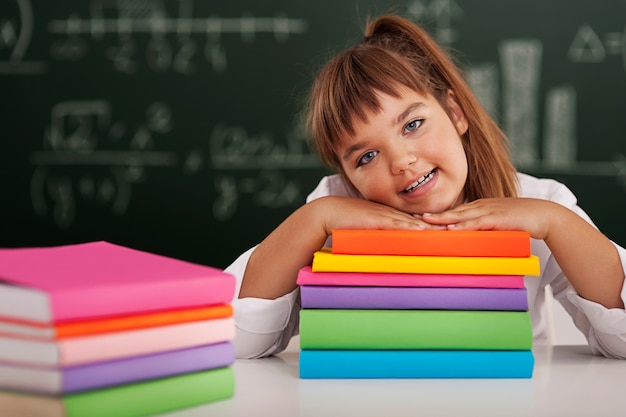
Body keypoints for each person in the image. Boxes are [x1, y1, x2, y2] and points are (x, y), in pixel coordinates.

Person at [225, 14, 626, 359]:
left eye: (412, 125)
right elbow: (235, 338)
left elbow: (620, 340)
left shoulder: (539, 204)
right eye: (366, 157)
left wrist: (556, 223)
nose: (401, 162)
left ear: (455, 113)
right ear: (348, 176)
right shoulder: (334, 208)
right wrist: (315, 219)